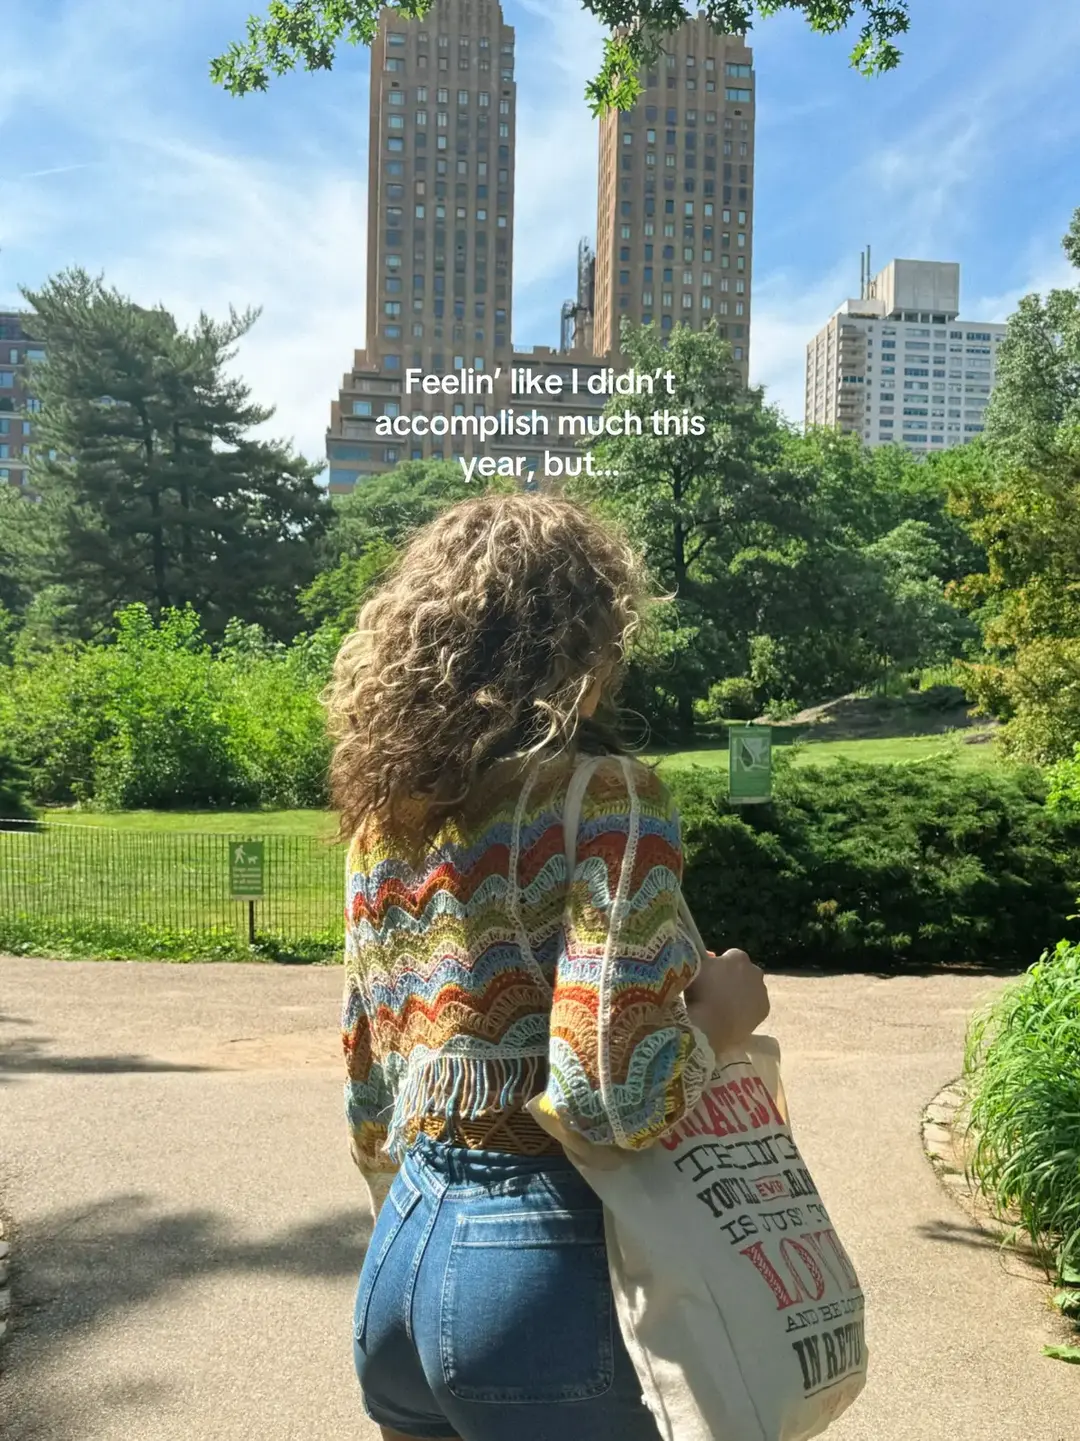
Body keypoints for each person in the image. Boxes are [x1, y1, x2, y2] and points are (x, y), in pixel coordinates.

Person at [327, 493, 770, 1441]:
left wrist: (419, 1231)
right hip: (540, 1270)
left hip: (402, 1259)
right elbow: (610, 1088)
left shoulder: (381, 827)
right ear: (581, 642)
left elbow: (370, 1087)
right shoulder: (605, 798)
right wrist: (723, 1016)